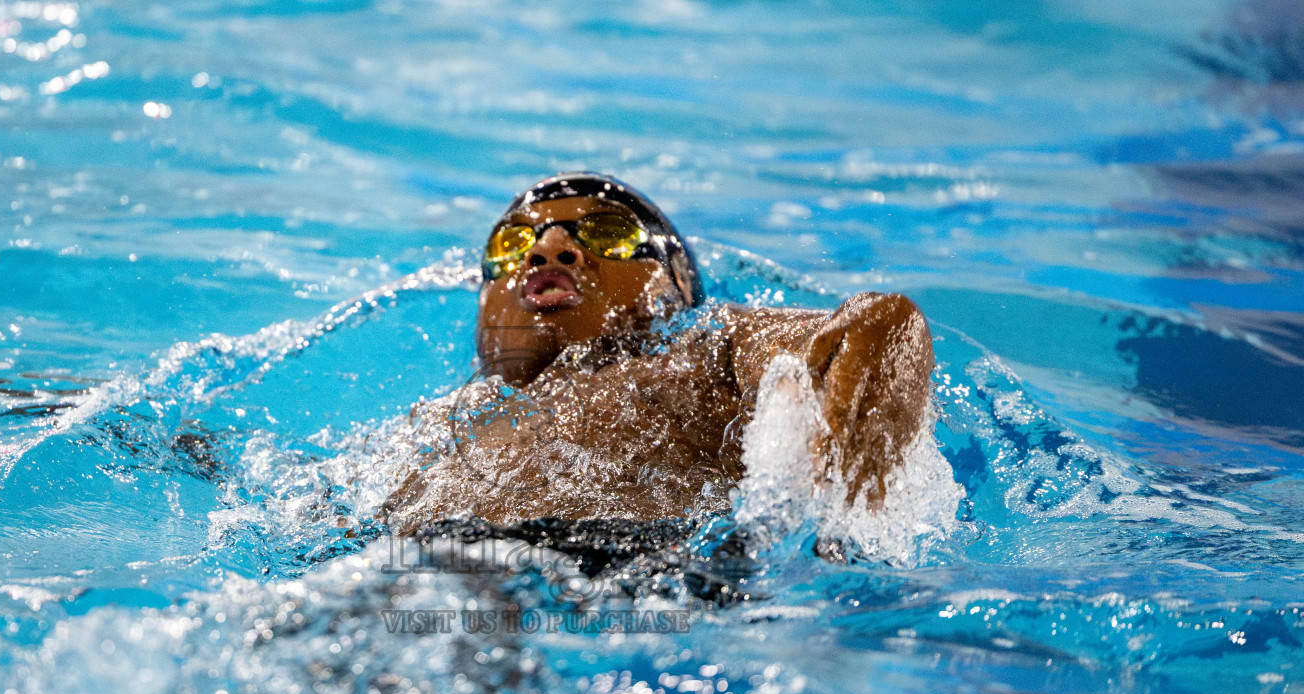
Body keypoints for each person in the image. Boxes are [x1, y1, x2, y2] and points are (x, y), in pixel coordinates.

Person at [382, 173, 933, 544]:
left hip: (624, 573)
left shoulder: (706, 346)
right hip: (399, 576)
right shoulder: (440, 422)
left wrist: (883, 327)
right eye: (511, 244)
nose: (547, 248)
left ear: (678, 287)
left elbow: (836, 340)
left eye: (608, 233)